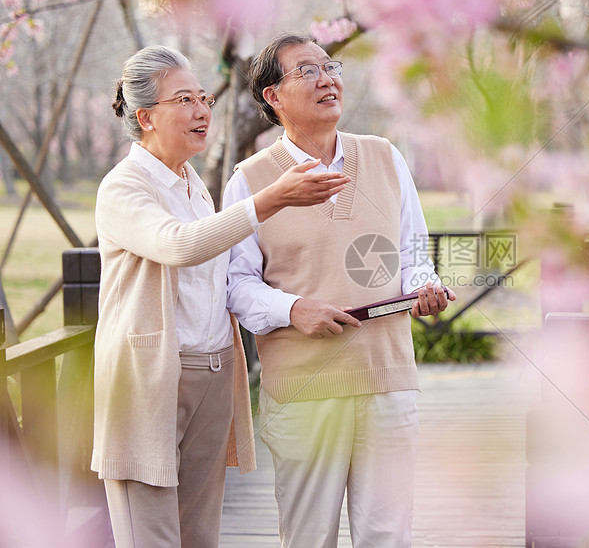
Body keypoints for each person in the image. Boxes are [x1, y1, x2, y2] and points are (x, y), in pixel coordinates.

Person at [91, 44, 349, 548]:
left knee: (200, 535)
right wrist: (269, 199)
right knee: (152, 535)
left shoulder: (193, 184)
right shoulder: (122, 187)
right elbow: (180, 246)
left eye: (204, 97)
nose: (202, 110)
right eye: (184, 99)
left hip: (212, 372)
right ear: (145, 117)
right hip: (149, 378)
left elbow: (222, 274)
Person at [223, 33, 455, 548]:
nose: (328, 79)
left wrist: (424, 286)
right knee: (308, 538)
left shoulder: (385, 157)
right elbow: (236, 284)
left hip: (386, 379)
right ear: (272, 97)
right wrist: (293, 309)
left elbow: (414, 253)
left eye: (330, 67)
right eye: (307, 71)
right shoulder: (251, 181)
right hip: (305, 390)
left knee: (388, 535)